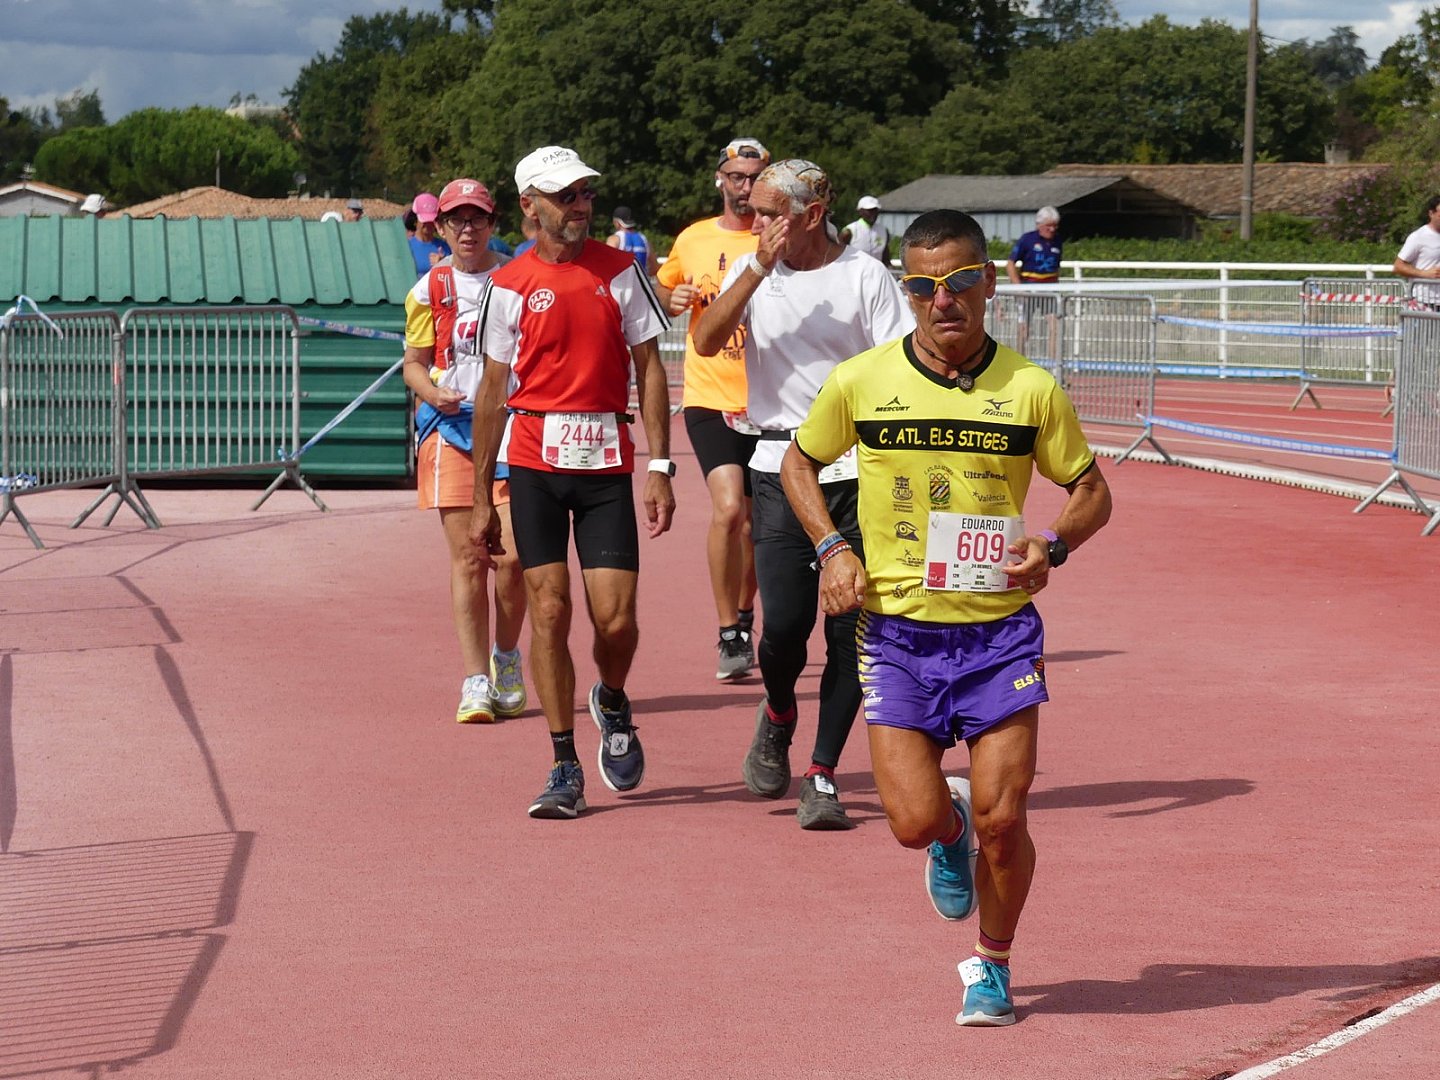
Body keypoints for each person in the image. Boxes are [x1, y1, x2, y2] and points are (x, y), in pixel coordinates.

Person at [781, 208, 1111, 1025]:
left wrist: (1053, 547)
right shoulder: (861, 381)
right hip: (896, 634)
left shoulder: (1032, 390)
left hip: (999, 635)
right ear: (910, 292)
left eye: (961, 282)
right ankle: (946, 827)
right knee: (913, 822)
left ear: (989, 282)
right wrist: (832, 548)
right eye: (926, 287)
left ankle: (992, 966)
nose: (945, 301)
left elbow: (1092, 491)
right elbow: (798, 460)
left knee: (1009, 817)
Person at [692, 158, 914, 830]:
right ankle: (780, 710)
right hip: (778, 459)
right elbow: (703, 341)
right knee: (784, 625)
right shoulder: (751, 270)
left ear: (812, 214)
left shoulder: (865, 276)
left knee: (851, 628)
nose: (756, 224)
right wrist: (757, 269)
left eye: (769, 213)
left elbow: (898, 364)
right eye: (752, 211)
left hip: (858, 469)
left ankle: (821, 772)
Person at [471, 146, 674, 820]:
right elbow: (493, 392)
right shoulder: (508, 285)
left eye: (586, 192)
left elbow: (649, 369)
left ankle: (612, 698)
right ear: (529, 204)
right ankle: (564, 762)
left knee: (617, 622)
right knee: (550, 609)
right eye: (565, 195)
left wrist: (661, 467)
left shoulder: (622, 271)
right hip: (533, 463)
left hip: (606, 464)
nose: (580, 205)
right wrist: (481, 499)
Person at [401, 178, 528, 725]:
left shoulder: (519, 279)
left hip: (514, 429)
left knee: (516, 558)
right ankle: (476, 679)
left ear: (493, 222)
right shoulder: (429, 288)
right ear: (441, 227)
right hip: (452, 431)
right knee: (469, 558)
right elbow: (413, 362)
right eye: (457, 220)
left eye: (477, 218)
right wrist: (433, 391)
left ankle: (506, 656)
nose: (467, 228)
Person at [654, 136, 769, 681]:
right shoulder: (694, 238)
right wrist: (671, 300)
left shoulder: (781, 239)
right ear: (719, 179)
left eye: (755, 177)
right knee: (728, 511)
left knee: (753, 526)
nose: (745, 187)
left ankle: (745, 615)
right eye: (737, 176)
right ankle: (728, 631)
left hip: (770, 403)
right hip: (708, 396)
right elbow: (658, 294)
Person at [1006, 206, 1063, 357]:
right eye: (1048, 226)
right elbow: (1010, 264)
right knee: (1024, 328)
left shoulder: (1058, 241)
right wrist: (1018, 289)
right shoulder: (1027, 239)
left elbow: (1056, 268)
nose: (1052, 229)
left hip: (1049, 291)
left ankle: (1054, 366)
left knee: (1055, 327)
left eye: (1055, 225)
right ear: (1039, 225)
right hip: (1028, 290)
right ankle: (1019, 362)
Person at [1393, 195, 1440, 308]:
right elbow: (1398, 266)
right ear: (1431, 213)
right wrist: (1424, 274)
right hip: (1425, 302)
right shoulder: (1418, 237)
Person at [407, 192, 452, 277]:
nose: (429, 223)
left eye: (432, 220)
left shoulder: (446, 248)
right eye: (425, 220)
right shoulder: (406, 248)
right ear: (415, 220)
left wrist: (443, 267)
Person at [840, 195, 890, 263]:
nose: (873, 213)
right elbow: (839, 254)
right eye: (869, 210)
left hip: (876, 272)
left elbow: (885, 256)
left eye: (875, 210)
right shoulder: (850, 230)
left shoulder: (884, 231)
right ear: (860, 211)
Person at [606, 206, 655, 276]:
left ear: (617, 223)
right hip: (639, 285)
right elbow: (654, 268)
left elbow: (607, 264)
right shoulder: (644, 239)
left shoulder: (614, 239)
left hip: (620, 285)